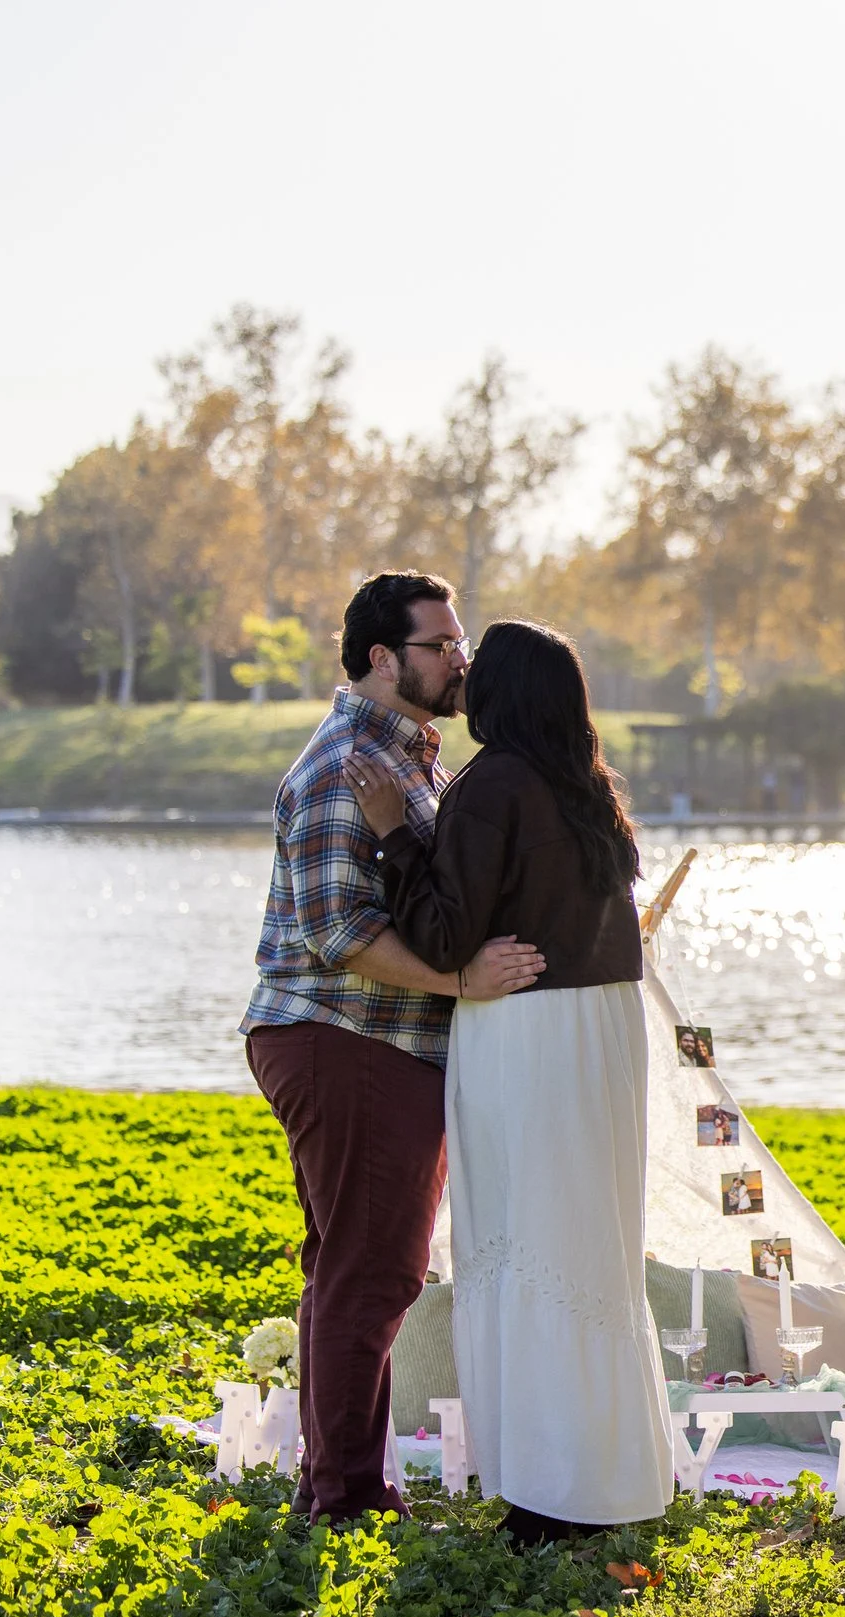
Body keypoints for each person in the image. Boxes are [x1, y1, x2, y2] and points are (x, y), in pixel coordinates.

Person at [347, 617, 673, 1545]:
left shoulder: (492, 785)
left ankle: (547, 1494)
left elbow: (447, 938)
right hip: (604, 1036)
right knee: (591, 1253)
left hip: (528, 1036)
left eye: (478, 665)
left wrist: (390, 838)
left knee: (527, 1250)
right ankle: (608, 1478)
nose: (465, 674)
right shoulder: (591, 790)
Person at [239, 570, 548, 1526]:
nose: (462, 659)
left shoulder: (411, 761)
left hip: (379, 1044)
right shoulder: (346, 766)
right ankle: (341, 1500)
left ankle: (340, 1484)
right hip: (344, 1036)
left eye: (458, 644)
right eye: (442, 645)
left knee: (356, 1269)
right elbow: (340, 931)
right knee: (372, 1273)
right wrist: (463, 983)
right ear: (384, 659)